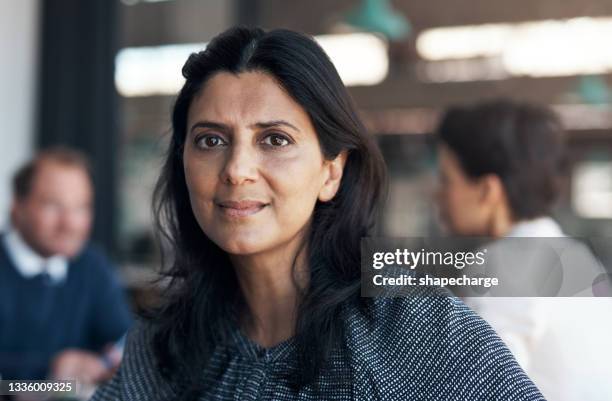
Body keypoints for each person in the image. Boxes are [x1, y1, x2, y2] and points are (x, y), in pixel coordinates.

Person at [91, 27, 543, 401]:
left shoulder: (415, 334)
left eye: (274, 140)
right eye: (211, 140)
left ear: (331, 172)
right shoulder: (160, 349)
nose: (236, 170)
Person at [436, 99, 612, 401]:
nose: (438, 194)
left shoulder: (504, 263)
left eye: (447, 180)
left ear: (488, 190)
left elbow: (479, 387)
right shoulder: (574, 253)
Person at [0, 148, 133, 384]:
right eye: (53, 205)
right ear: (17, 208)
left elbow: (124, 340)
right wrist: (48, 369)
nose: (70, 223)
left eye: (81, 207)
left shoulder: (91, 264)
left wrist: (113, 362)